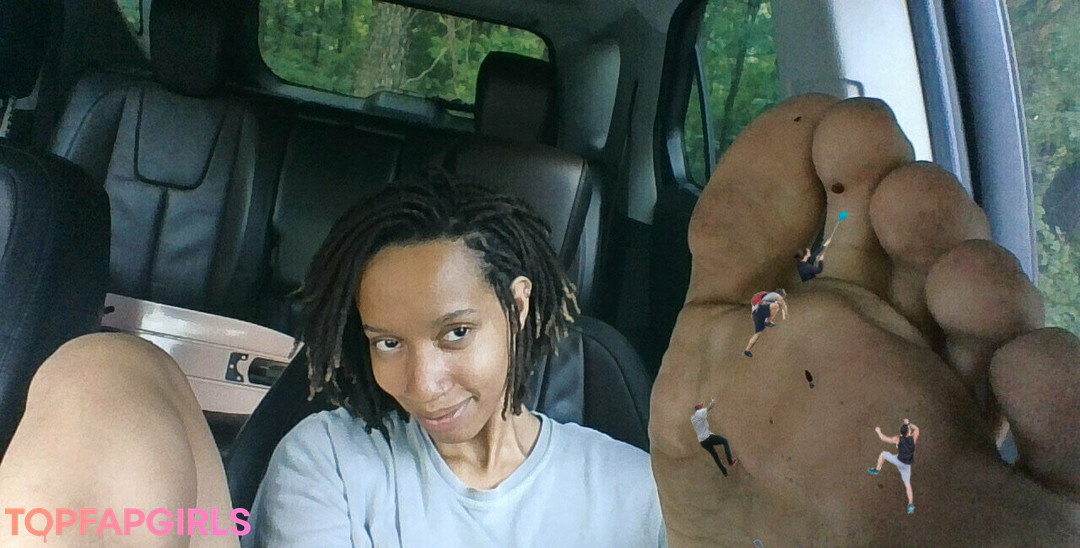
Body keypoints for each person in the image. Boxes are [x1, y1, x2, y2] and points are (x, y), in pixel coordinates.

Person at [0, 170, 666, 548]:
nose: (423, 383)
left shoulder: (637, 493)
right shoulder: (328, 461)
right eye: (387, 343)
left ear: (517, 308)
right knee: (106, 369)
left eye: (456, 334)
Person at [868, 419, 920, 514]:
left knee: (883, 454)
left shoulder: (898, 439)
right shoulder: (914, 438)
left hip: (898, 461)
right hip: (907, 465)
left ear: (901, 433)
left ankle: (877, 470)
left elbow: (884, 438)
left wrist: (878, 431)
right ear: (909, 431)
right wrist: (908, 423)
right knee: (907, 484)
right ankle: (910, 504)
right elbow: (916, 429)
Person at [690, 397, 737, 476]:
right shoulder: (700, 413)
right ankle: (730, 461)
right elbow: (710, 407)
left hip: (702, 442)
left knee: (715, 455)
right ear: (700, 409)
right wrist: (713, 401)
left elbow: (700, 410)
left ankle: (724, 472)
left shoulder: (693, 418)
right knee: (724, 441)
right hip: (707, 438)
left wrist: (701, 404)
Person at [743, 289, 787, 357]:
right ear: (781, 294)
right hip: (760, 310)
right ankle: (767, 322)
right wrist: (786, 315)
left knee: (758, 334)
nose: (782, 298)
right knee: (775, 306)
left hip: (756, 314)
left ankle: (747, 350)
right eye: (783, 296)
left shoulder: (766, 298)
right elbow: (783, 303)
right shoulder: (775, 294)